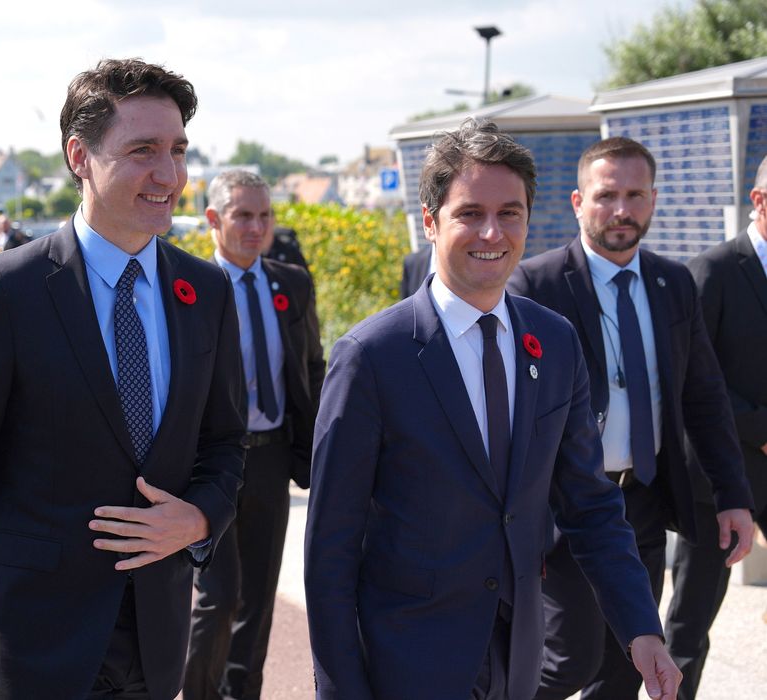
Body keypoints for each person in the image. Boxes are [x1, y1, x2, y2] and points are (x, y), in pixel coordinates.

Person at [306, 119, 681, 700]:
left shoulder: (553, 343)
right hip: (408, 661)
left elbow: (590, 503)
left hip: (519, 659)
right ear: (430, 222)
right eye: (469, 213)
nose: (492, 231)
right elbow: (330, 549)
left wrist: (641, 628)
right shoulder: (371, 357)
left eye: (510, 212)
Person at [0, 58, 246, 700]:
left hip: (156, 635)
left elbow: (225, 443)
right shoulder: (6, 289)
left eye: (178, 150)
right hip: (31, 639)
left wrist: (202, 518)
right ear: (80, 155)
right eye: (143, 150)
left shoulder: (204, 290)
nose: (169, 174)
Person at [508, 136, 755, 700]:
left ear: (653, 199)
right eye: (606, 195)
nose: (621, 210)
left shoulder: (673, 284)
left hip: (640, 502)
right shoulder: (535, 286)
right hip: (564, 507)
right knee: (567, 658)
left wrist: (731, 493)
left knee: (626, 663)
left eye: (635, 195)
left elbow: (705, 398)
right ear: (577, 201)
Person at [183, 170, 323, 700]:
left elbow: (311, 366)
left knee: (259, 601)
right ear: (214, 219)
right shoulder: (190, 287)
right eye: (243, 215)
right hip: (211, 467)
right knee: (218, 598)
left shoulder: (292, 283)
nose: (256, 227)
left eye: (264, 216)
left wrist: (312, 449)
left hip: (270, 462)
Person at [680, 153, 767, 698]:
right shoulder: (712, 270)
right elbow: (692, 373)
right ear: (759, 201)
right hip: (719, 478)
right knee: (691, 622)